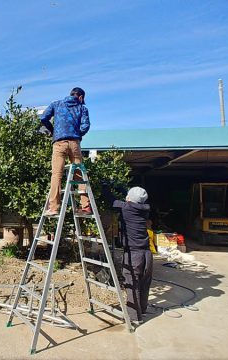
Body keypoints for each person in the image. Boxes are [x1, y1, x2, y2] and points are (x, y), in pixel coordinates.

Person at [102, 184, 152, 326]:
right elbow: (133, 199)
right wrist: (123, 189)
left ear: (129, 199)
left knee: (131, 283)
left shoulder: (126, 208)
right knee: (143, 282)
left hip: (134, 254)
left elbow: (110, 200)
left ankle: (134, 317)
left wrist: (105, 185)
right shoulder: (144, 208)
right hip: (147, 253)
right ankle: (142, 310)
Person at [40, 87, 91, 216]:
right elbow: (86, 125)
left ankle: (54, 207)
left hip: (59, 143)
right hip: (74, 143)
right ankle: (85, 206)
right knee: (79, 174)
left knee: (56, 175)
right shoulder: (82, 108)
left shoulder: (56, 104)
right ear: (80, 97)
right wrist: (77, 134)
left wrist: (53, 131)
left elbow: (43, 118)